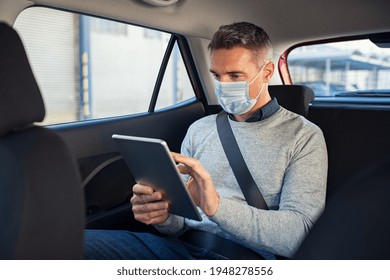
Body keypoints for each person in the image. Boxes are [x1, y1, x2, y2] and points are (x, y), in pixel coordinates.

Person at [84, 22, 328, 260]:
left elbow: (300, 234)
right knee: (71, 245)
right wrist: (162, 216)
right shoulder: (200, 129)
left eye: (235, 75)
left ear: (266, 72)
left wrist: (216, 208)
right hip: (176, 248)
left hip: (241, 258)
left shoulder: (303, 136)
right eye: (217, 75)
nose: (223, 85)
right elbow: (178, 223)